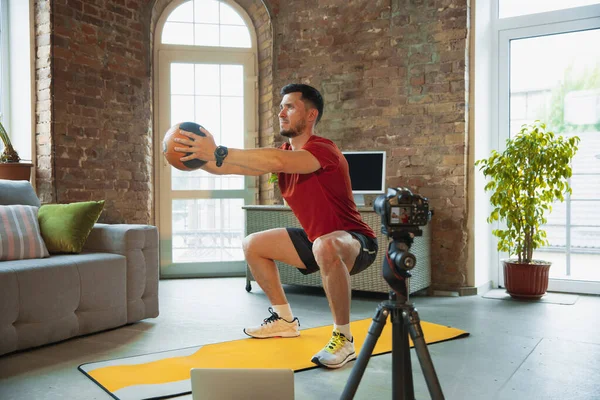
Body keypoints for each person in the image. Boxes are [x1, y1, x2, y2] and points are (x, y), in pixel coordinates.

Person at [173, 83, 379, 369]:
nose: (281, 112)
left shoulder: (323, 149)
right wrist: (194, 156)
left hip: (356, 243)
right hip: (316, 240)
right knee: (253, 244)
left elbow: (276, 159)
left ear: (310, 115)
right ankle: (284, 320)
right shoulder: (284, 154)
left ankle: (343, 339)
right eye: (281, 106)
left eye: (290, 106)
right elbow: (231, 167)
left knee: (326, 243)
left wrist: (218, 150)